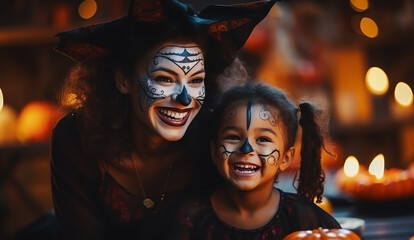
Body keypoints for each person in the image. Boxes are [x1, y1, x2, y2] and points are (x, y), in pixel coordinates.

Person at [50, 0, 278, 239]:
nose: (184, 98)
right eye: (165, 79)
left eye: (195, 80)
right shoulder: (76, 138)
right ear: (123, 80)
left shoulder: (220, 142)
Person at [174, 83, 341, 240]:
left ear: (286, 158)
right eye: (233, 137)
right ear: (214, 151)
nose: (246, 149)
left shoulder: (304, 219)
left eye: (263, 139)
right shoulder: (189, 218)